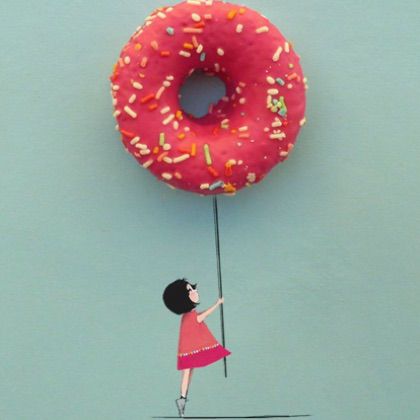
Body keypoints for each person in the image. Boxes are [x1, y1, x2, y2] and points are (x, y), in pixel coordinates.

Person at [163, 278, 231, 417]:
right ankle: (182, 400)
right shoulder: (190, 316)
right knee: (187, 374)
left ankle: (183, 399)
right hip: (188, 350)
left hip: (188, 350)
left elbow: (199, 316)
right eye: (189, 290)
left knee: (189, 373)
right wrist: (217, 304)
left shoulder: (189, 315)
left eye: (193, 288)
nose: (194, 291)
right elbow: (203, 316)